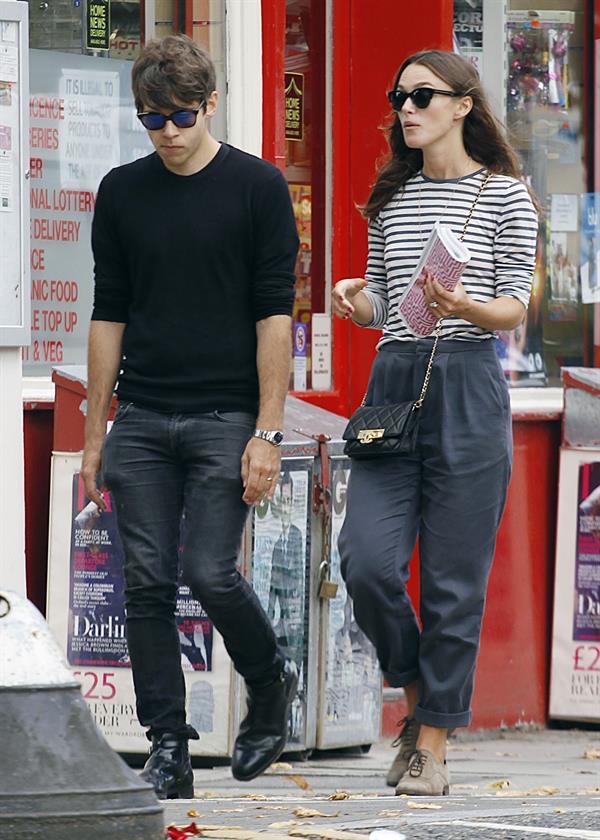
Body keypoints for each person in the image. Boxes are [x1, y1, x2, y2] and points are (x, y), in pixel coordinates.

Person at [81, 34, 300, 799]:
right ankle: (167, 746)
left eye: (181, 115)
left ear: (211, 104)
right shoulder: (122, 191)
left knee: (209, 571)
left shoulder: (257, 188)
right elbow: (108, 313)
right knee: (144, 585)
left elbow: (276, 317)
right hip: (141, 417)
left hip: (225, 414)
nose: (168, 132)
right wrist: (93, 435)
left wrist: (266, 432)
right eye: (151, 119)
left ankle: (270, 683)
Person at [333, 50, 538, 796]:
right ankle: (419, 697)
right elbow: (392, 308)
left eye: (422, 96)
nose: (406, 109)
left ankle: (433, 745)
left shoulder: (508, 197)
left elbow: (515, 308)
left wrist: (466, 309)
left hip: (468, 382)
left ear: (462, 106)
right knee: (366, 563)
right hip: (395, 386)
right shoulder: (391, 199)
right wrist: (361, 302)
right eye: (398, 97)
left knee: (454, 585)